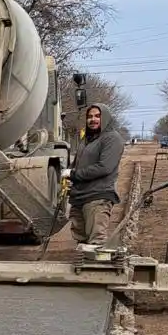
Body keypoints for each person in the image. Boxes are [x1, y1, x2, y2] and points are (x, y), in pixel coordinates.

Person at [62, 103, 124, 247]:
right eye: (90, 116)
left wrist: (74, 174)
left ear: (105, 118)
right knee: (81, 240)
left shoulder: (112, 138)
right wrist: (68, 174)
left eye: (97, 116)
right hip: (80, 196)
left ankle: (96, 269)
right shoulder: (87, 139)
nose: (93, 119)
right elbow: (78, 162)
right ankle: (83, 266)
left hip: (97, 196)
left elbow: (104, 167)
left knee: (96, 242)